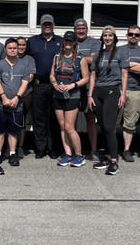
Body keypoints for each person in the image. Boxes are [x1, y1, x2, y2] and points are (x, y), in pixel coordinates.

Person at [50, 30, 90, 167]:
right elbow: (51, 75)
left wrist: (73, 85)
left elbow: (86, 78)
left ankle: (79, 154)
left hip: (72, 96)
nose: (68, 43)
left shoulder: (80, 58)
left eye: (70, 41)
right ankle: (67, 154)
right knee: (62, 127)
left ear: (74, 43)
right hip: (58, 95)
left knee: (69, 127)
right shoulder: (57, 57)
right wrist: (55, 84)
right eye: (66, 41)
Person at [88, 25, 123, 175]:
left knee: (109, 126)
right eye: (105, 36)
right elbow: (93, 76)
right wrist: (90, 95)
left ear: (114, 38)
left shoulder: (120, 53)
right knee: (102, 126)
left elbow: (125, 74)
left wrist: (123, 94)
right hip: (98, 92)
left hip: (112, 91)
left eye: (110, 36)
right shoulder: (98, 54)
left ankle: (114, 161)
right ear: (102, 38)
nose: (107, 38)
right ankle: (107, 157)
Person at [27, 14, 63, 158]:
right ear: (40, 25)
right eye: (44, 24)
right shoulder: (32, 41)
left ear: (53, 25)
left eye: (49, 24)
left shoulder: (60, 41)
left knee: (54, 118)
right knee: (39, 118)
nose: (47, 26)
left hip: (55, 85)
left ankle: (53, 148)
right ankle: (41, 148)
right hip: (38, 85)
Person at [0, 37, 32, 167]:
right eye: (10, 48)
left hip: (17, 105)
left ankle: (12, 153)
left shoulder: (24, 65)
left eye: (15, 48)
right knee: (0, 129)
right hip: (1, 104)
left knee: (14, 130)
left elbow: (25, 82)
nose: (13, 50)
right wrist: (3, 97)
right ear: (5, 49)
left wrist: (16, 98)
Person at [117, 25, 140, 162]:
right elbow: (114, 66)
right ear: (127, 35)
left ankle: (126, 150)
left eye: (136, 35)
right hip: (117, 89)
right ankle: (110, 150)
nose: (133, 37)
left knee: (130, 123)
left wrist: (125, 64)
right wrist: (135, 65)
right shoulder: (118, 50)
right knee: (112, 122)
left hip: (135, 91)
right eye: (131, 34)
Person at [74, 18, 98, 159]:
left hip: (89, 87)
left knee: (90, 119)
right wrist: (86, 59)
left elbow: (95, 59)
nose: (81, 30)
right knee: (72, 120)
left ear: (87, 29)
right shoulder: (70, 41)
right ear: (75, 29)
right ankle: (75, 150)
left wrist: (75, 57)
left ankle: (93, 150)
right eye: (78, 28)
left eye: (83, 28)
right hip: (73, 87)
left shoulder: (95, 43)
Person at [14, 36, 36, 155]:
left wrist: (20, 85)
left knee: (22, 120)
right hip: (11, 94)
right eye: (19, 45)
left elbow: (31, 76)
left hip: (26, 93)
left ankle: (20, 146)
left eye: (23, 45)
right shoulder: (10, 57)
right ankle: (10, 146)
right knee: (11, 120)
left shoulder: (29, 59)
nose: (21, 47)